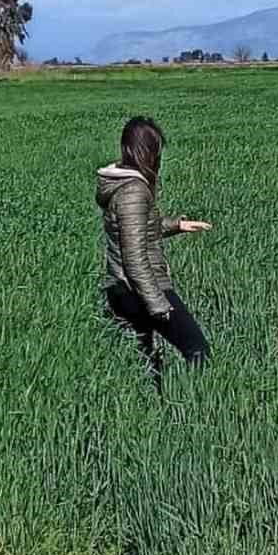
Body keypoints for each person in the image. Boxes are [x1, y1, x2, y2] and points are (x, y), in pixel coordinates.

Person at [97, 116, 211, 382]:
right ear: (147, 152)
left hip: (123, 290)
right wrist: (159, 304)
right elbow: (135, 259)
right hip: (137, 290)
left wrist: (177, 225)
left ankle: (154, 408)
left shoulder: (123, 185)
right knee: (198, 350)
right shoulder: (133, 191)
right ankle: (199, 408)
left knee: (146, 364)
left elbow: (135, 228)